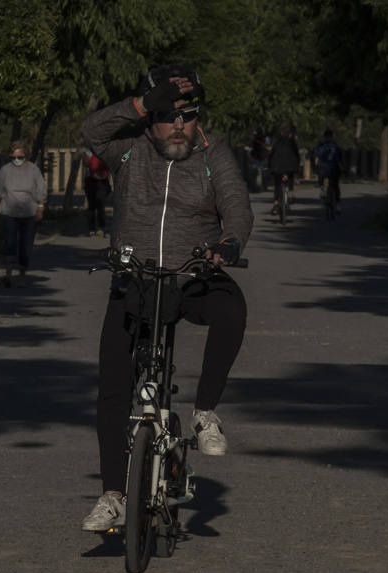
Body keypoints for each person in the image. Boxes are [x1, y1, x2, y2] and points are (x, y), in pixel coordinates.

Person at [79, 63, 254, 532]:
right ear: (150, 117)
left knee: (233, 310)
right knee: (113, 387)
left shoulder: (213, 154)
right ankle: (113, 495)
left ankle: (205, 412)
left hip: (193, 275)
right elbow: (91, 131)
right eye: (167, 115)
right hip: (135, 280)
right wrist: (140, 104)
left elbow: (237, 206)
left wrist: (229, 243)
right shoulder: (129, 149)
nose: (178, 124)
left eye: (187, 115)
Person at [0, 140, 47, 287]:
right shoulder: (5, 170)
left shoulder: (33, 170)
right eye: (14, 157)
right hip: (9, 211)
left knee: (26, 246)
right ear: (10, 156)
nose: (17, 160)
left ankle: (22, 272)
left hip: (29, 212)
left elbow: (41, 189)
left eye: (20, 157)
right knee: (10, 243)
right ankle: (8, 274)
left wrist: (40, 208)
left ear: (25, 155)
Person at [268, 123, 301, 216]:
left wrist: (270, 166)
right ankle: (290, 194)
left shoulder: (277, 142)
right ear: (290, 134)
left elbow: (271, 154)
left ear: (281, 133)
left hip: (277, 167)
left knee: (277, 184)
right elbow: (297, 155)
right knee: (290, 178)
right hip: (290, 167)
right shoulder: (292, 142)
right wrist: (297, 165)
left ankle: (275, 204)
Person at [312, 129, 343, 208]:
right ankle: (338, 205)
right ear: (332, 137)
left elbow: (316, 160)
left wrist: (316, 167)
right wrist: (341, 168)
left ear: (324, 137)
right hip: (334, 168)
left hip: (323, 168)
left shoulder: (320, 146)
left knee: (321, 178)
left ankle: (322, 189)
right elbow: (339, 160)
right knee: (336, 186)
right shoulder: (336, 146)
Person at [84, 149, 111, 236]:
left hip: (102, 180)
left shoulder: (106, 149)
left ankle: (101, 227)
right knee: (92, 205)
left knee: (100, 203)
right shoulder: (89, 150)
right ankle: (92, 228)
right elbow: (86, 163)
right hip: (91, 180)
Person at [246, 126, 271, 192]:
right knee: (263, 173)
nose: (254, 132)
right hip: (261, 158)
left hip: (256, 158)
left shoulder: (253, 138)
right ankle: (263, 187)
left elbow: (247, 147)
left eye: (255, 131)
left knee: (254, 173)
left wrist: (250, 149)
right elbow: (269, 148)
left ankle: (255, 187)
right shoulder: (266, 138)